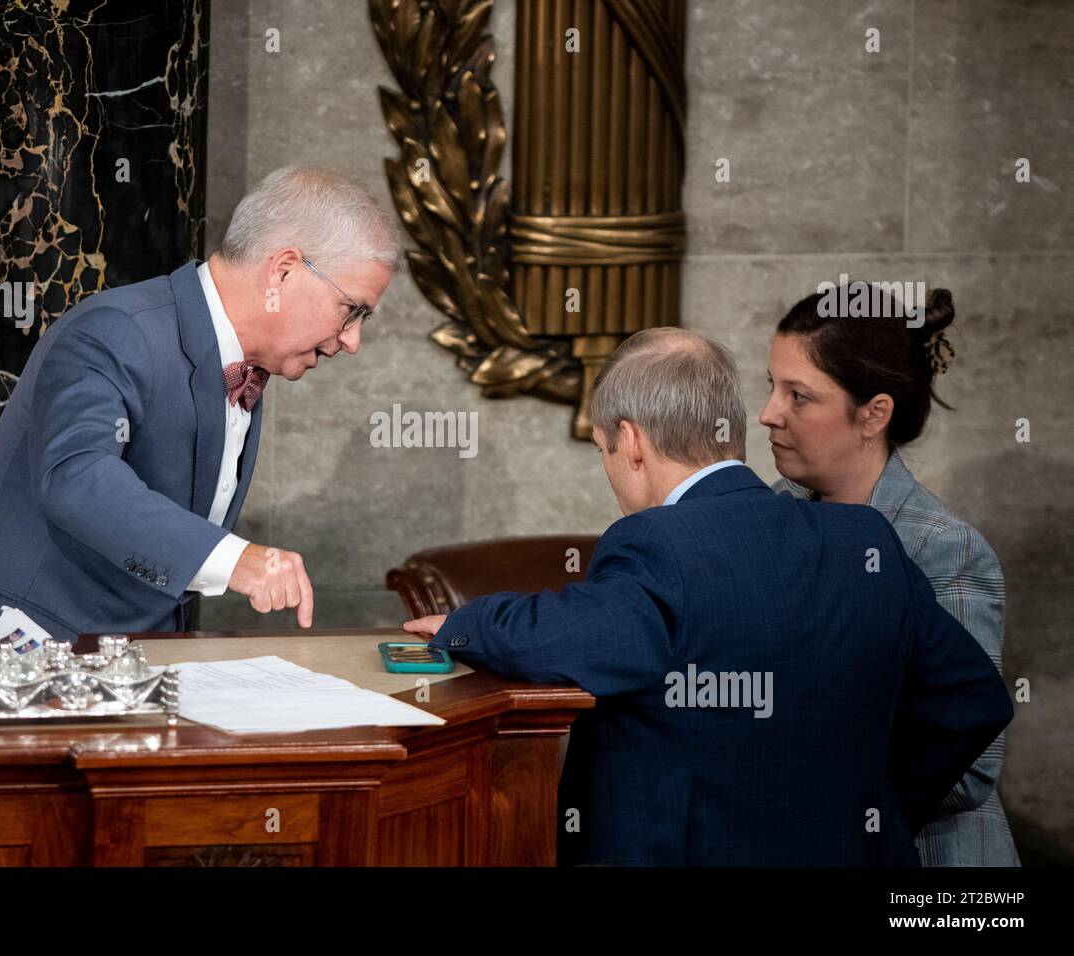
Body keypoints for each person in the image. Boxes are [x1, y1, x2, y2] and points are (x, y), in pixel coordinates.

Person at [403, 327, 1012, 866]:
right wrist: (871, 799)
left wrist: (463, 624)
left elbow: (575, 634)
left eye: (602, 451)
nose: (610, 468)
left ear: (631, 441)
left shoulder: (657, 543)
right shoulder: (863, 538)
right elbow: (973, 699)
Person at [0, 166, 402, 642]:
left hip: (123, 673)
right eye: (352, 309)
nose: (353, 340)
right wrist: (234, 559)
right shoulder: (114, 330)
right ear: (285, 271)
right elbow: (77, 476)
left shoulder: (246, 366)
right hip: (5, 657)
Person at [760, 283, 1019, 866]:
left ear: (873, 413)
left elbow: (970, 768)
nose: (768, 413)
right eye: (771, 387)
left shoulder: (943, 547)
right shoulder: (771, 513)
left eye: (798, 396)